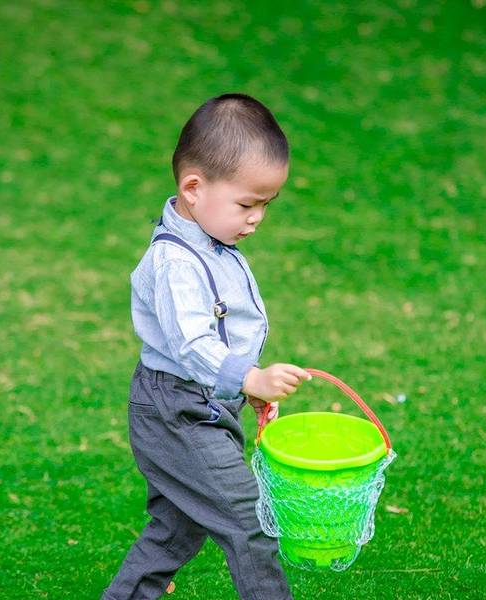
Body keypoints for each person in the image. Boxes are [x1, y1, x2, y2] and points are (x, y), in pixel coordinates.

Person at [101, 93, 312, 600]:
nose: (257, 218)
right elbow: (192, 343)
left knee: (176, 530)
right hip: (176, 412)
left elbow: (224, 330)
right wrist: (248, 376)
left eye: (266, 204)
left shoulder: (215, 241)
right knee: (250, 522)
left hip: (203, 405)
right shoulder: (175, 263)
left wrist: (247, 383)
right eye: (247, 204)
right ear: (193, 189)